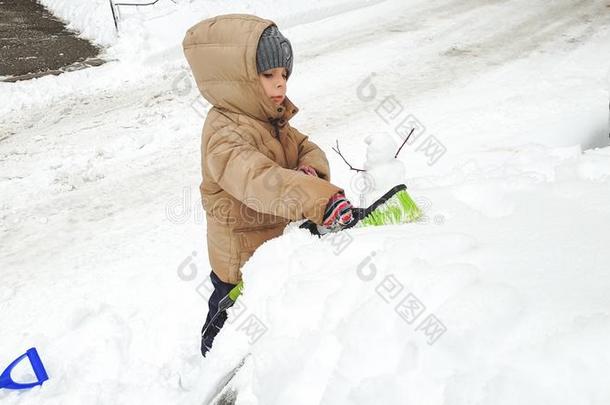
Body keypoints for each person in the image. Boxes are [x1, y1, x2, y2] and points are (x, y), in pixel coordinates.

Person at [182, 14, 355, 357]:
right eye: (268, 75)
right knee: (225, 329)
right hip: (240, 262)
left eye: (284, 75)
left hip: (271, 251)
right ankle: (207, 368)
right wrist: (319, 199)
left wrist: (308, 168)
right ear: (237, 79)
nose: (281, 85)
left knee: (263, 321)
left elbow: (306, 146)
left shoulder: (267, 118)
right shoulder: (224, 134)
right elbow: (260, 181)